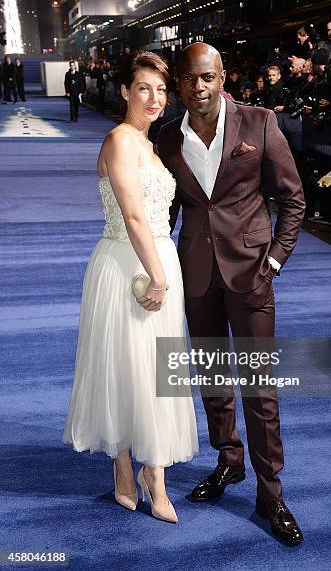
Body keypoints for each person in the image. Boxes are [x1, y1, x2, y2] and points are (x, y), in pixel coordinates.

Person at [158, 43, 305, 546]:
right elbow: (168, 210)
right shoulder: (167, 139)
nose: (197, 87)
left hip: (251, 275)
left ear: (222, 77)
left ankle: (271, 492)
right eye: (188, 79)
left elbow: (292, 198)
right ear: (178, 83)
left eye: (206, 78)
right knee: (214, 378)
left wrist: (275, 260)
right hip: (196, 276)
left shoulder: (260, 123)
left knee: (259, 389)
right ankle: (229, 461)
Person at [63, 52, 198, 522]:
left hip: (160, 263)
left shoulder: (153, 145)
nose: (154, 98)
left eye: (161, 90)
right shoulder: (120, 140)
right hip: (127, 265)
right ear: (124, 91)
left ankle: (152, 473)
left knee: (156, 371)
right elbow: (134, 215)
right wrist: (157, 275)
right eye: (144, 88)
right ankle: (124, 465)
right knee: (125, 367)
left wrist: (165, 273)